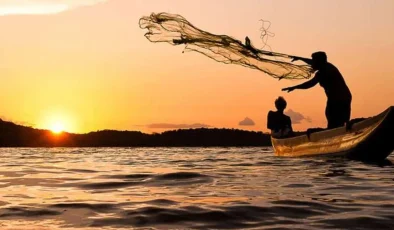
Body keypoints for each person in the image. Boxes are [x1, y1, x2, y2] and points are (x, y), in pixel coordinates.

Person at [282, 52, 352, 129]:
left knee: (334, 123)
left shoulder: (323, 72)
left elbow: (310, 84)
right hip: (343, 98)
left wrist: (295, 87)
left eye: (314, 61)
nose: (312, 64)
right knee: (340, 122)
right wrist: (300, 59)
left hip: (338, 100)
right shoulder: (328, 66)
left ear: (318, 62)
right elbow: (311, 62)